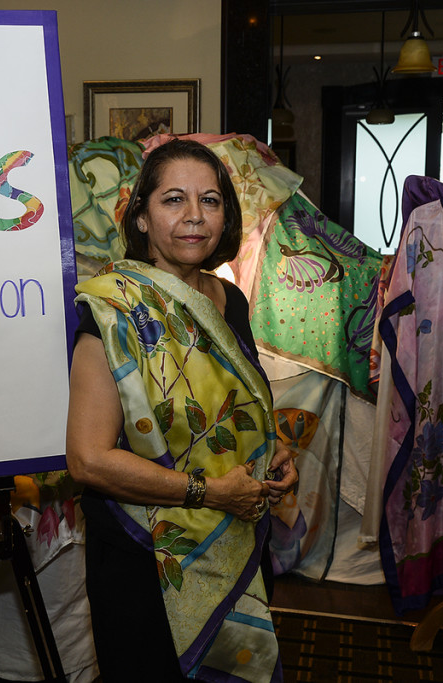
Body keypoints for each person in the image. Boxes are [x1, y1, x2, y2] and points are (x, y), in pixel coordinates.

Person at [66, 138, 298, 682]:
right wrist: (210, 492)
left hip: (237, 535)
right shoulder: (113, 313)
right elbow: (87, 460)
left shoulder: (228, 300)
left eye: (210, 201)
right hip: (144, 557)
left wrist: (273, 450)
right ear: (141, 216)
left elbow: (237, 408)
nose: (194, 216)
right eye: (173, 200)